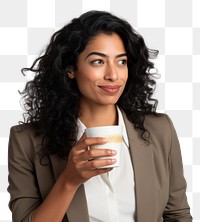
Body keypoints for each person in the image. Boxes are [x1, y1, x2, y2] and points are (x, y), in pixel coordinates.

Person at [7, 10, 192, 222]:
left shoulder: (160, 130)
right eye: (98, 62)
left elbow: (177, 215)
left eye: (121, 62)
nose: (113, 75)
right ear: (71, 69)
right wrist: (69, 180)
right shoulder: (26, 140)